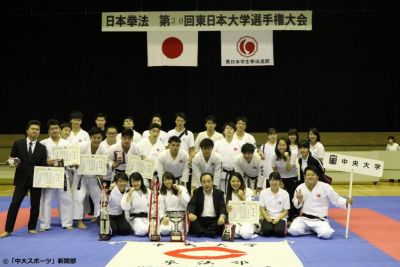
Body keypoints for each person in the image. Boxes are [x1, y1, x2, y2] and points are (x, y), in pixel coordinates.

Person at [0, 120, 47, 238]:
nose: (35, 131)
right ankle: (8, 229)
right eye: (33, 129)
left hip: (36, 180)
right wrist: (11, 162)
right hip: (21, 179)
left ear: (39, 132)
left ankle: (31, 227)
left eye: (37, 129)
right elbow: (12, 158)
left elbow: (43, 166)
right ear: (27, 131)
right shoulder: (18, 143)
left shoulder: (42, 148)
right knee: (14, 203)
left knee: (35, 205)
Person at [288, 165, 353, 239]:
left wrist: (346, 202)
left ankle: (315, 230)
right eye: (308, 175)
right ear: (305, 176)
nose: (310, 177)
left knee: (326, 234)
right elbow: (296, 206)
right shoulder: (300, 187)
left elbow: (336, 199)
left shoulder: (325, 187)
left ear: (317, 176)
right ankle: (312, 231)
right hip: (304, 219)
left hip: (319, 220)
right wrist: (299, 200)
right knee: (292, 231)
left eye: (313, 175)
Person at [39, 119, 73, 232]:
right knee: (46, 199)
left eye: (56, 128)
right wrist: (46, 162)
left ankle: (67, 222)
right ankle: (44, 224)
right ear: (48, 131)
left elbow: (71, 159)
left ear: (59, 130)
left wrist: (72, 163)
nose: (55, 130)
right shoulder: (43, 143)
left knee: (66, 198)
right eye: (52, 129)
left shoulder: (67, 143)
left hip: (63, 173)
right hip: (49, 174)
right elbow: (39, 159)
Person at [72, 127, 108, 229]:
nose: (97, 140)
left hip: (93, 177)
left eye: (99, 138)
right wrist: (75, 164)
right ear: (90, 137)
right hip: (80, 177)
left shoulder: (104, 149)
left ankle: (97, 217)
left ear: (102, 138)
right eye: (94, 138)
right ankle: (79, 221)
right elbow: (74, 159)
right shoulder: (82, 146)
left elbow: (104, 164)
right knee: (79, 198)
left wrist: (103, 169)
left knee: (98, 198)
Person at [187, 173, 227, 238]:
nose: (206, 184)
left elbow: (222, 207)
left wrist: (222, 216)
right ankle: (209, 232)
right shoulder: (197, 192)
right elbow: (191, 205)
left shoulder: (219, 193)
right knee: (193, 222)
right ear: (201, 183)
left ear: (212, 181)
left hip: (214, 220)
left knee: (221, 223)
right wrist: (191, 214)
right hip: (200, 220)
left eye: (209, 181)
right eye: (204, 182)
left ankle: (201, 231)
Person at [271, 137, 298, 220]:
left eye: (284, 145)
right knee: (280, 197)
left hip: (292, 177)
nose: (281, 147)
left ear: (287, 146)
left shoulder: (292, 154)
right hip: (280, 178)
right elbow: (274, 169)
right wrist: (279, 181)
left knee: (291, 197)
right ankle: (280, 215)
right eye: (279, 145)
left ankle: (291, 216)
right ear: (277, 146)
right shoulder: (274, 155)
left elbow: (288, 168)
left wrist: (287, 158)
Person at [214, 122, 243, 194]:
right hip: (222, 174)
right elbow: (213, 156)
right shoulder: (217, 143)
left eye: (231, 128)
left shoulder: (240, 143)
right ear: (224, 131)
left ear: (234, 131)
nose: (229, 130)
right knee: (223, 194)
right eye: (227, 128)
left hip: (235, 173)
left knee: (235, 194)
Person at [159, 172, 191, 236]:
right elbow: (161, 208)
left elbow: (187, 203)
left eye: (169, 179)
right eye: (165, 180)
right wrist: (163, 218)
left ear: (173, 180)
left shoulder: (182, 188)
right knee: (163, 231)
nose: (167, 182)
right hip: (169, 217)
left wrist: (179, 191)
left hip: (181, 218)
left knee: (179, 232)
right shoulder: (162, 192)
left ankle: (175, 229)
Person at [226, 172, 255, 239]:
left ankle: (245, 231)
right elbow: (227, 211)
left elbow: (252, 208)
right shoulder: (229, 193)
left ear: (241, 181)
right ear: (230, 182)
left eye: (238, 181)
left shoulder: (248, 191)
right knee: (234, 234)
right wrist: (227, 210)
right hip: (234, 219)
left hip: (247, 219)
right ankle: (239, 231)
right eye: (233, 181)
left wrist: (243, 198)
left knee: (246, 235)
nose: (235, 183)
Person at [259, 172, 290, 237]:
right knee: (266, 231)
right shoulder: (263, 192)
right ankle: (271, 228)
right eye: (272, 180)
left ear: (280, 181)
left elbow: (286, 211)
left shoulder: (285, 193)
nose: (274, 182)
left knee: (279, 232)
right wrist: (267, 217)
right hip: (268, 217)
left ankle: (278, 228)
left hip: (280, 217)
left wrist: (278, 218)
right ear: (269, 181)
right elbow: (262, 208)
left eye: (276, 180)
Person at [137, 123, 165, 188]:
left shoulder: (161, 145)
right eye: (154, 131)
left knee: (154, 194)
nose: (155, 133)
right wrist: (140, 157)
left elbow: (162, 161)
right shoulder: (141, 143)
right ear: (149, 131)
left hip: (155, 174)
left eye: (157, 132)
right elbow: (136, 157)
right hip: (143, 173)